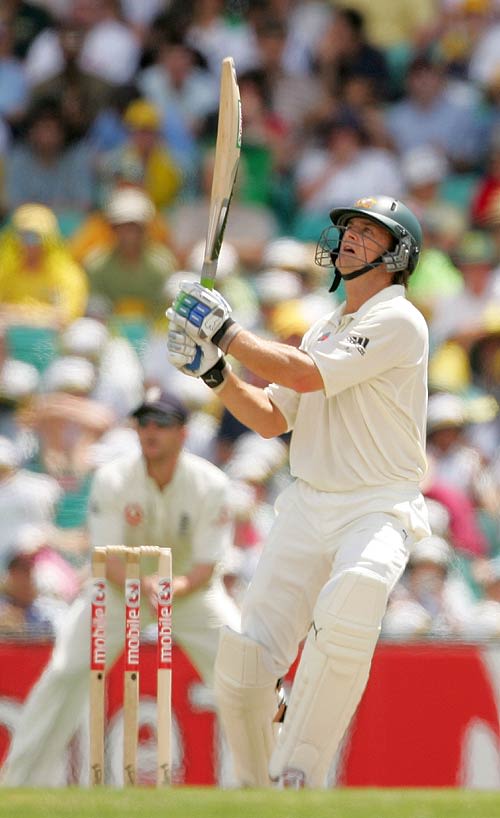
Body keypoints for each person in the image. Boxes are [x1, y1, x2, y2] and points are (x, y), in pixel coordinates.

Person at [167, 194, 431, 788]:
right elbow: (269, 417)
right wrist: (215, 372)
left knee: (351, 604)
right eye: (349, 229)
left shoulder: (398, 319)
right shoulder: (324, 326)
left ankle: (299, 777)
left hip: (377, 504)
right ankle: (261, 791)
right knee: (241, 666)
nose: (351, 238)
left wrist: (226, 331)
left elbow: (304, 375)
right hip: (309, 502)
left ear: (401, 254)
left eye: (369, 232)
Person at [0, 389, 240, 786]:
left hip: (191, 593)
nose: (150, 431)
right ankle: (17, 784)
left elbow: (206, 565)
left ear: (182, 433)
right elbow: (107, 556)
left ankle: (270, 780)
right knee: (65, 670)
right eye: (143, 422)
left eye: (161, 423)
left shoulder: (209, 483)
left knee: (243, 668)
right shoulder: (113, 478)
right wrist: (143, 583)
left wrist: (172, 586)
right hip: (119, 588)